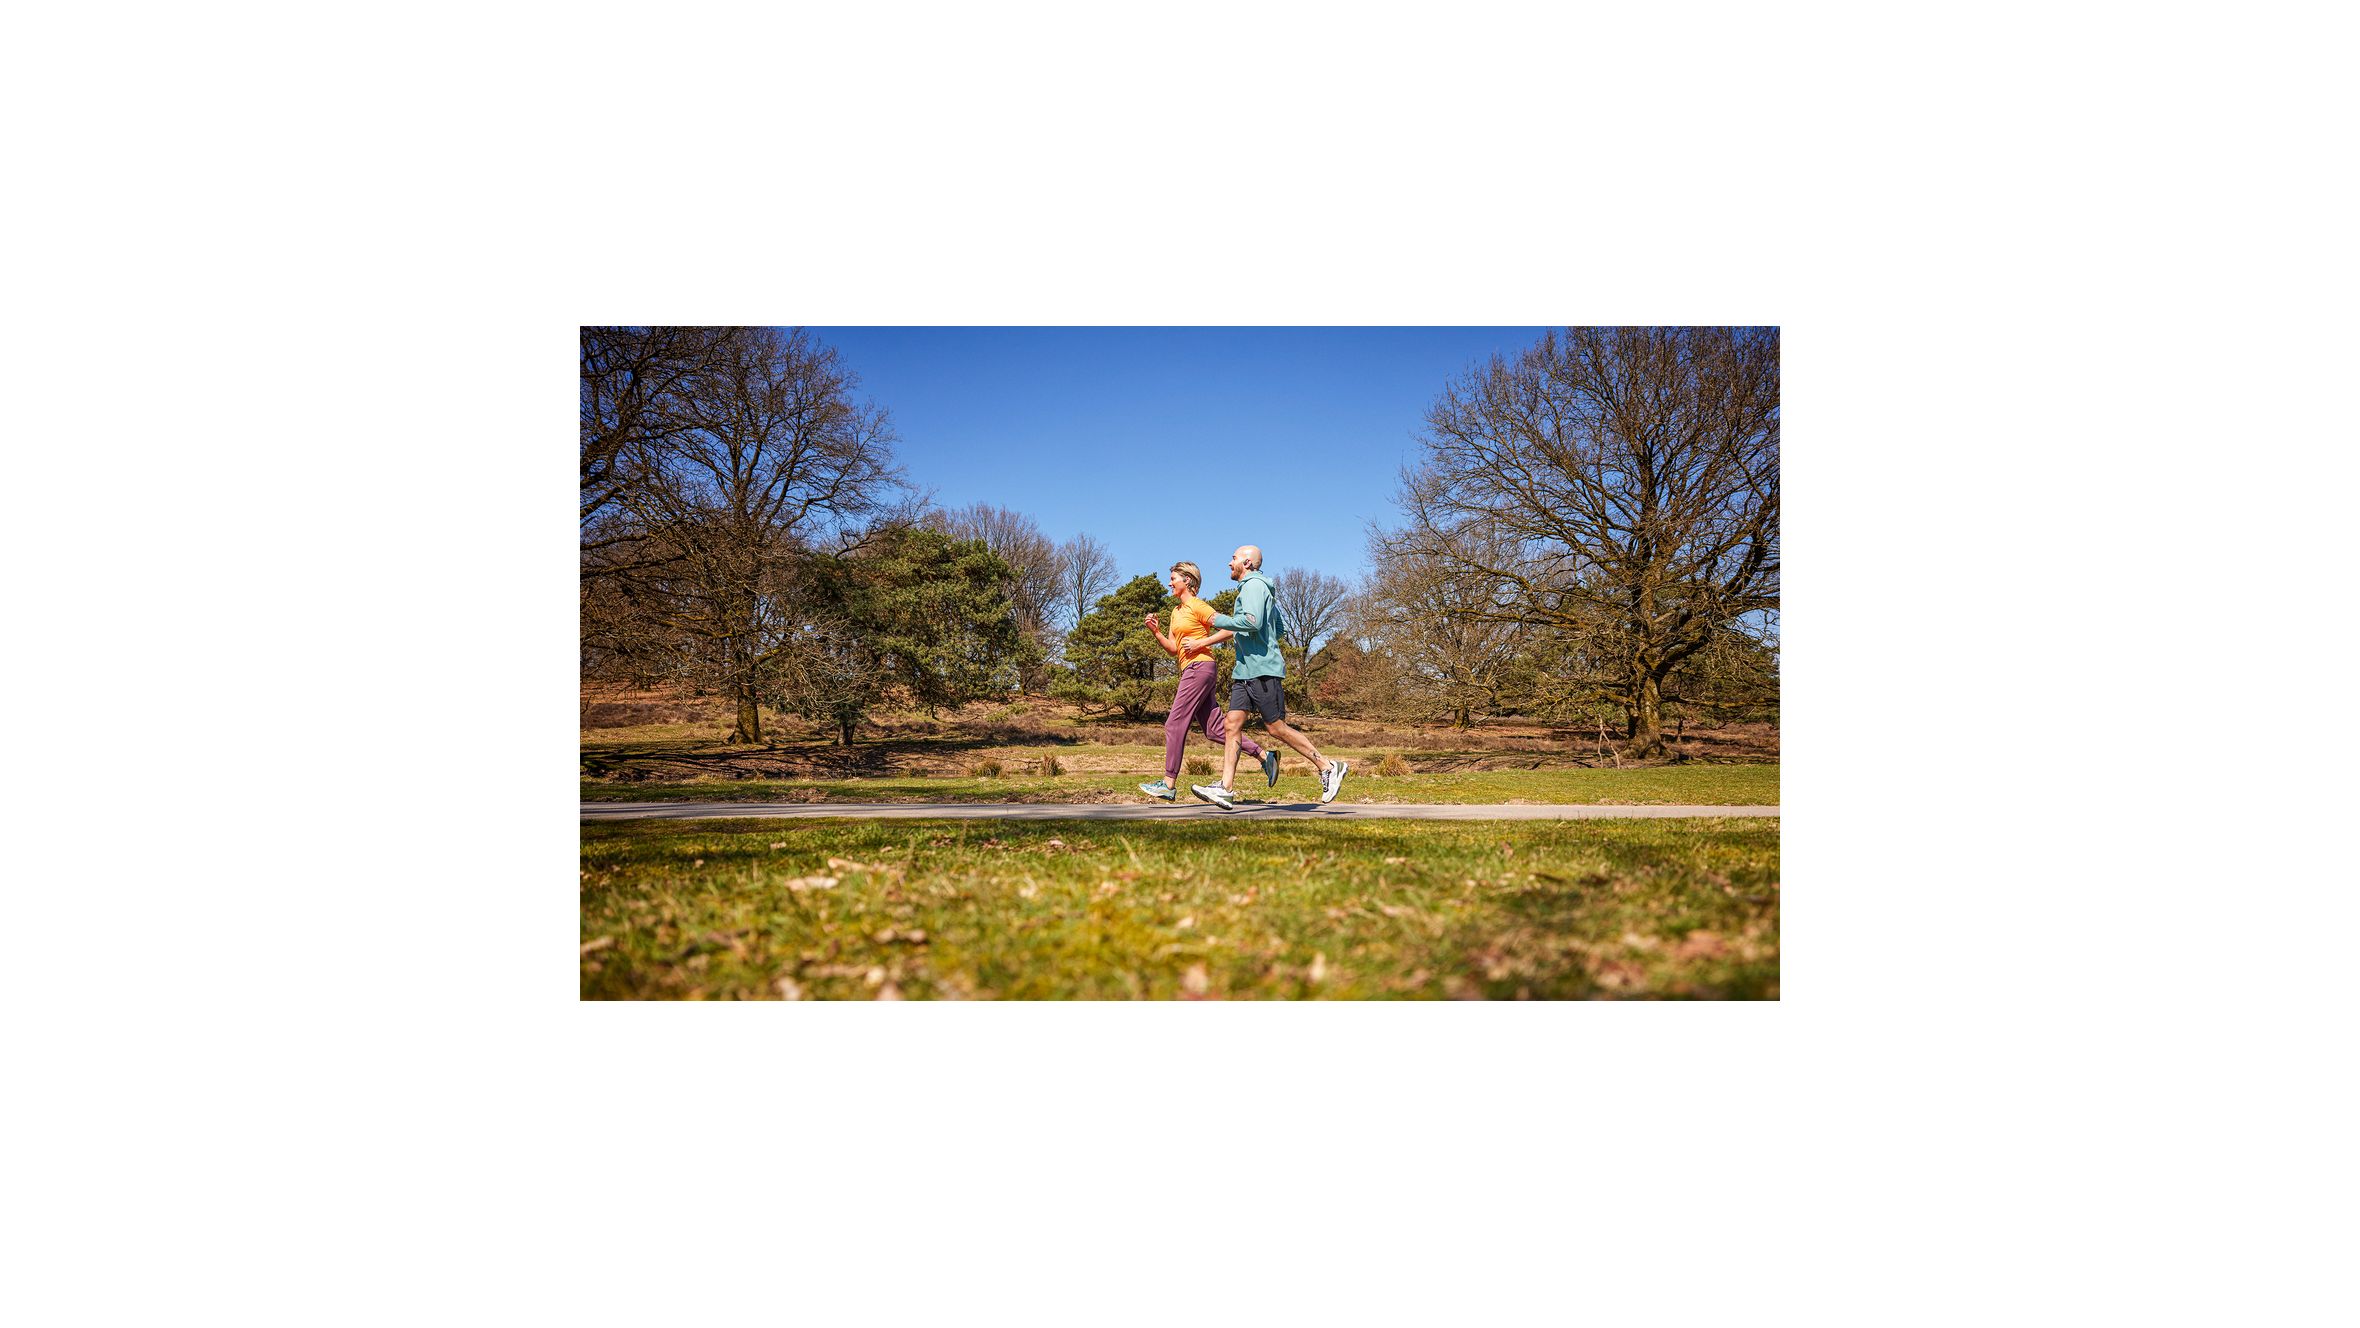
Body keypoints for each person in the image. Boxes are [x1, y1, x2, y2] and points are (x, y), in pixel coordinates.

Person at [1185, 545, 1347, 809]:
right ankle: (1225, 788)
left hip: (1262, 670)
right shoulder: (1259, 589)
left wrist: (1218, 619)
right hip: (1245, 670)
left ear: (1247, 563)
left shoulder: (1254, 587)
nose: (1229, 563)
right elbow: (1278, 628)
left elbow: (1251, 621)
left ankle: (1327, 766)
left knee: (1276, 728)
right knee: (1231, 725)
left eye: (1234, 558)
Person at [1138, 561, 1279, 801]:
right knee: (1214, 729)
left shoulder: (1197, 606)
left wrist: (1202, 643)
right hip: (1191, 669)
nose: (1169, 582)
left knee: (1174, 724)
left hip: (1200, 667)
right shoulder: (1176, 612)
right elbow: (1174, 649)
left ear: (1188, 581)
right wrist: (1157, 632)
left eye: (1174, 578)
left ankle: (1169, 783)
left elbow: (1231, 628)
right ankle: (1265, 756)